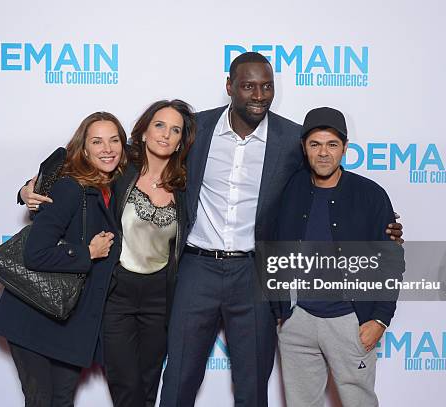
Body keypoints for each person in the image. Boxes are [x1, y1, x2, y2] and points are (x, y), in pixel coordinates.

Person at [159, 53, 403, 407]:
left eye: (267, 86)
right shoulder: (196, 128)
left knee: (254, 382)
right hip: (197, 267)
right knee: (179, 376)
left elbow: (330, 189)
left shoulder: (292, 138)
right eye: (248, 86)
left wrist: (384, 229)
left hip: (256, 273)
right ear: (230, 87)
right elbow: (148, 158)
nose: (259, 95)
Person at [19, 100, 195, 407]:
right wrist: (25, 190)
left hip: (160, 297)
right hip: (116, 292)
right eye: (159, 125)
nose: (166, 134)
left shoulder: (187, 183)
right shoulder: (120, 170)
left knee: (148, 385)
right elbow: (69, 162)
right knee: (125, 386)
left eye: (175, 129)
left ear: (182, 140)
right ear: (143, 133)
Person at [0, 111, 126, 407]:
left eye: (114, 140)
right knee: (41, 400)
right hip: (34, 316)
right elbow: (35, 252)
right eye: (97, 141)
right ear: (84, 148)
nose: (107, 149)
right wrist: (87, 253)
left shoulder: (117, 190)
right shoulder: (69, 187)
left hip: (74, 322)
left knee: (62, 401)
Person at [273, 107, 405, 406]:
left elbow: (391, 262)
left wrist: (380, 320)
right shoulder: (290, 189)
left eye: (332, 145)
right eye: (315, 144)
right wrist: (279, 309)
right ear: (304, 148)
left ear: (345, 148)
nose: (323, 153)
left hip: (350, 321)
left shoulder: (370, 194)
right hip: (297, 320)